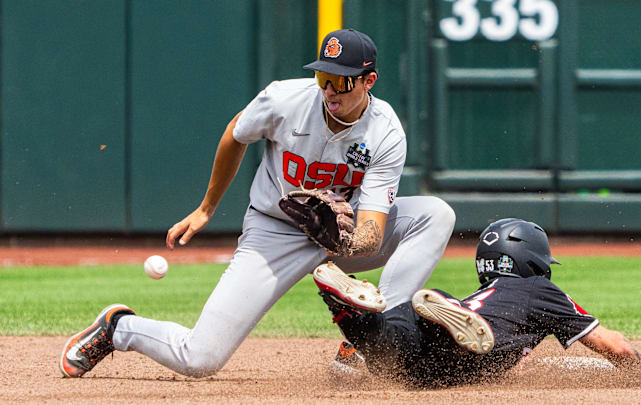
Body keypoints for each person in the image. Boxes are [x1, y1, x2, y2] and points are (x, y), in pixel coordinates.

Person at [59, 29, 455, 378]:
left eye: (341, 80)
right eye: (323, 76)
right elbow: (236, 133)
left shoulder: (385, 132)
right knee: (199, 359)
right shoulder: (284, 100)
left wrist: (343, 241)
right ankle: (118, 328)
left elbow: (372, 230)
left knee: (436, 214)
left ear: (369, 80)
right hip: (275, 231)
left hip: (340, 234)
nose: (330, 89)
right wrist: (206, 207)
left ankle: (373, 333)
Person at [311, 218, 641, 387]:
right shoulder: (539, 288)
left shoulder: (486, 296)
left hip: (415, 369)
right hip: (461, 360)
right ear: (533, 259)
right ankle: (444, 314)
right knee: (465, 342)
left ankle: (346, 313)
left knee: (391, 345)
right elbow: (615, 347)